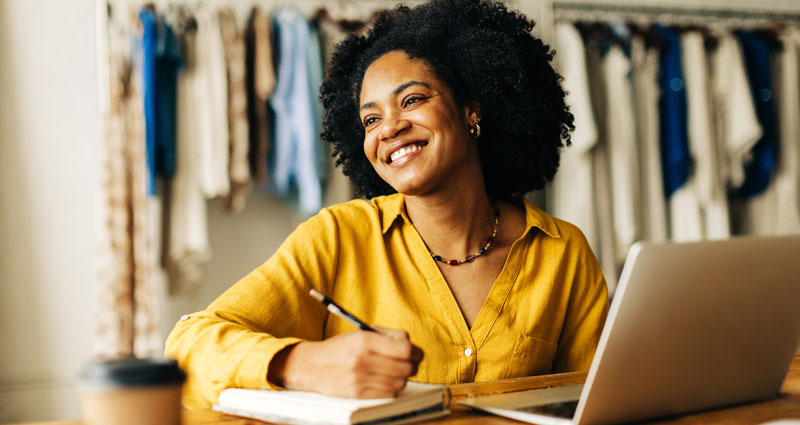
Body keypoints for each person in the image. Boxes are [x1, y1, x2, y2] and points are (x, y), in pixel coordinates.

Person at [165, 0, 609, 409]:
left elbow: (601, 400)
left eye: (412, 100)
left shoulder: (562, 252)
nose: (388, 129)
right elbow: (187, 347)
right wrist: (301, 364)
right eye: (371, 119)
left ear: (472, 109)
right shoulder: (338, 238)